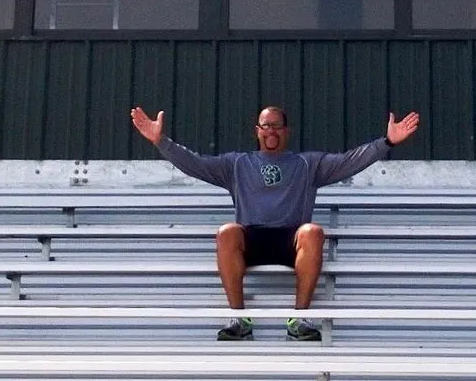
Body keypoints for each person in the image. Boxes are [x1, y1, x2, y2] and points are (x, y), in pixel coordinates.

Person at [130, 105, 421, 341]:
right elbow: (196, 163)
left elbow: (349, 161)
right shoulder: (237, 164)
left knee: (313, 232)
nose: (271, 131)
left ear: (286, 131)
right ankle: (239, 319)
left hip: (291, 241)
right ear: (257, 130)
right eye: (265, 125)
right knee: (227, 232)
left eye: (277, 126)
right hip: (252, 239)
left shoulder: (307, 164)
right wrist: (161, 142)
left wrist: (386, 143)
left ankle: (299, 319)